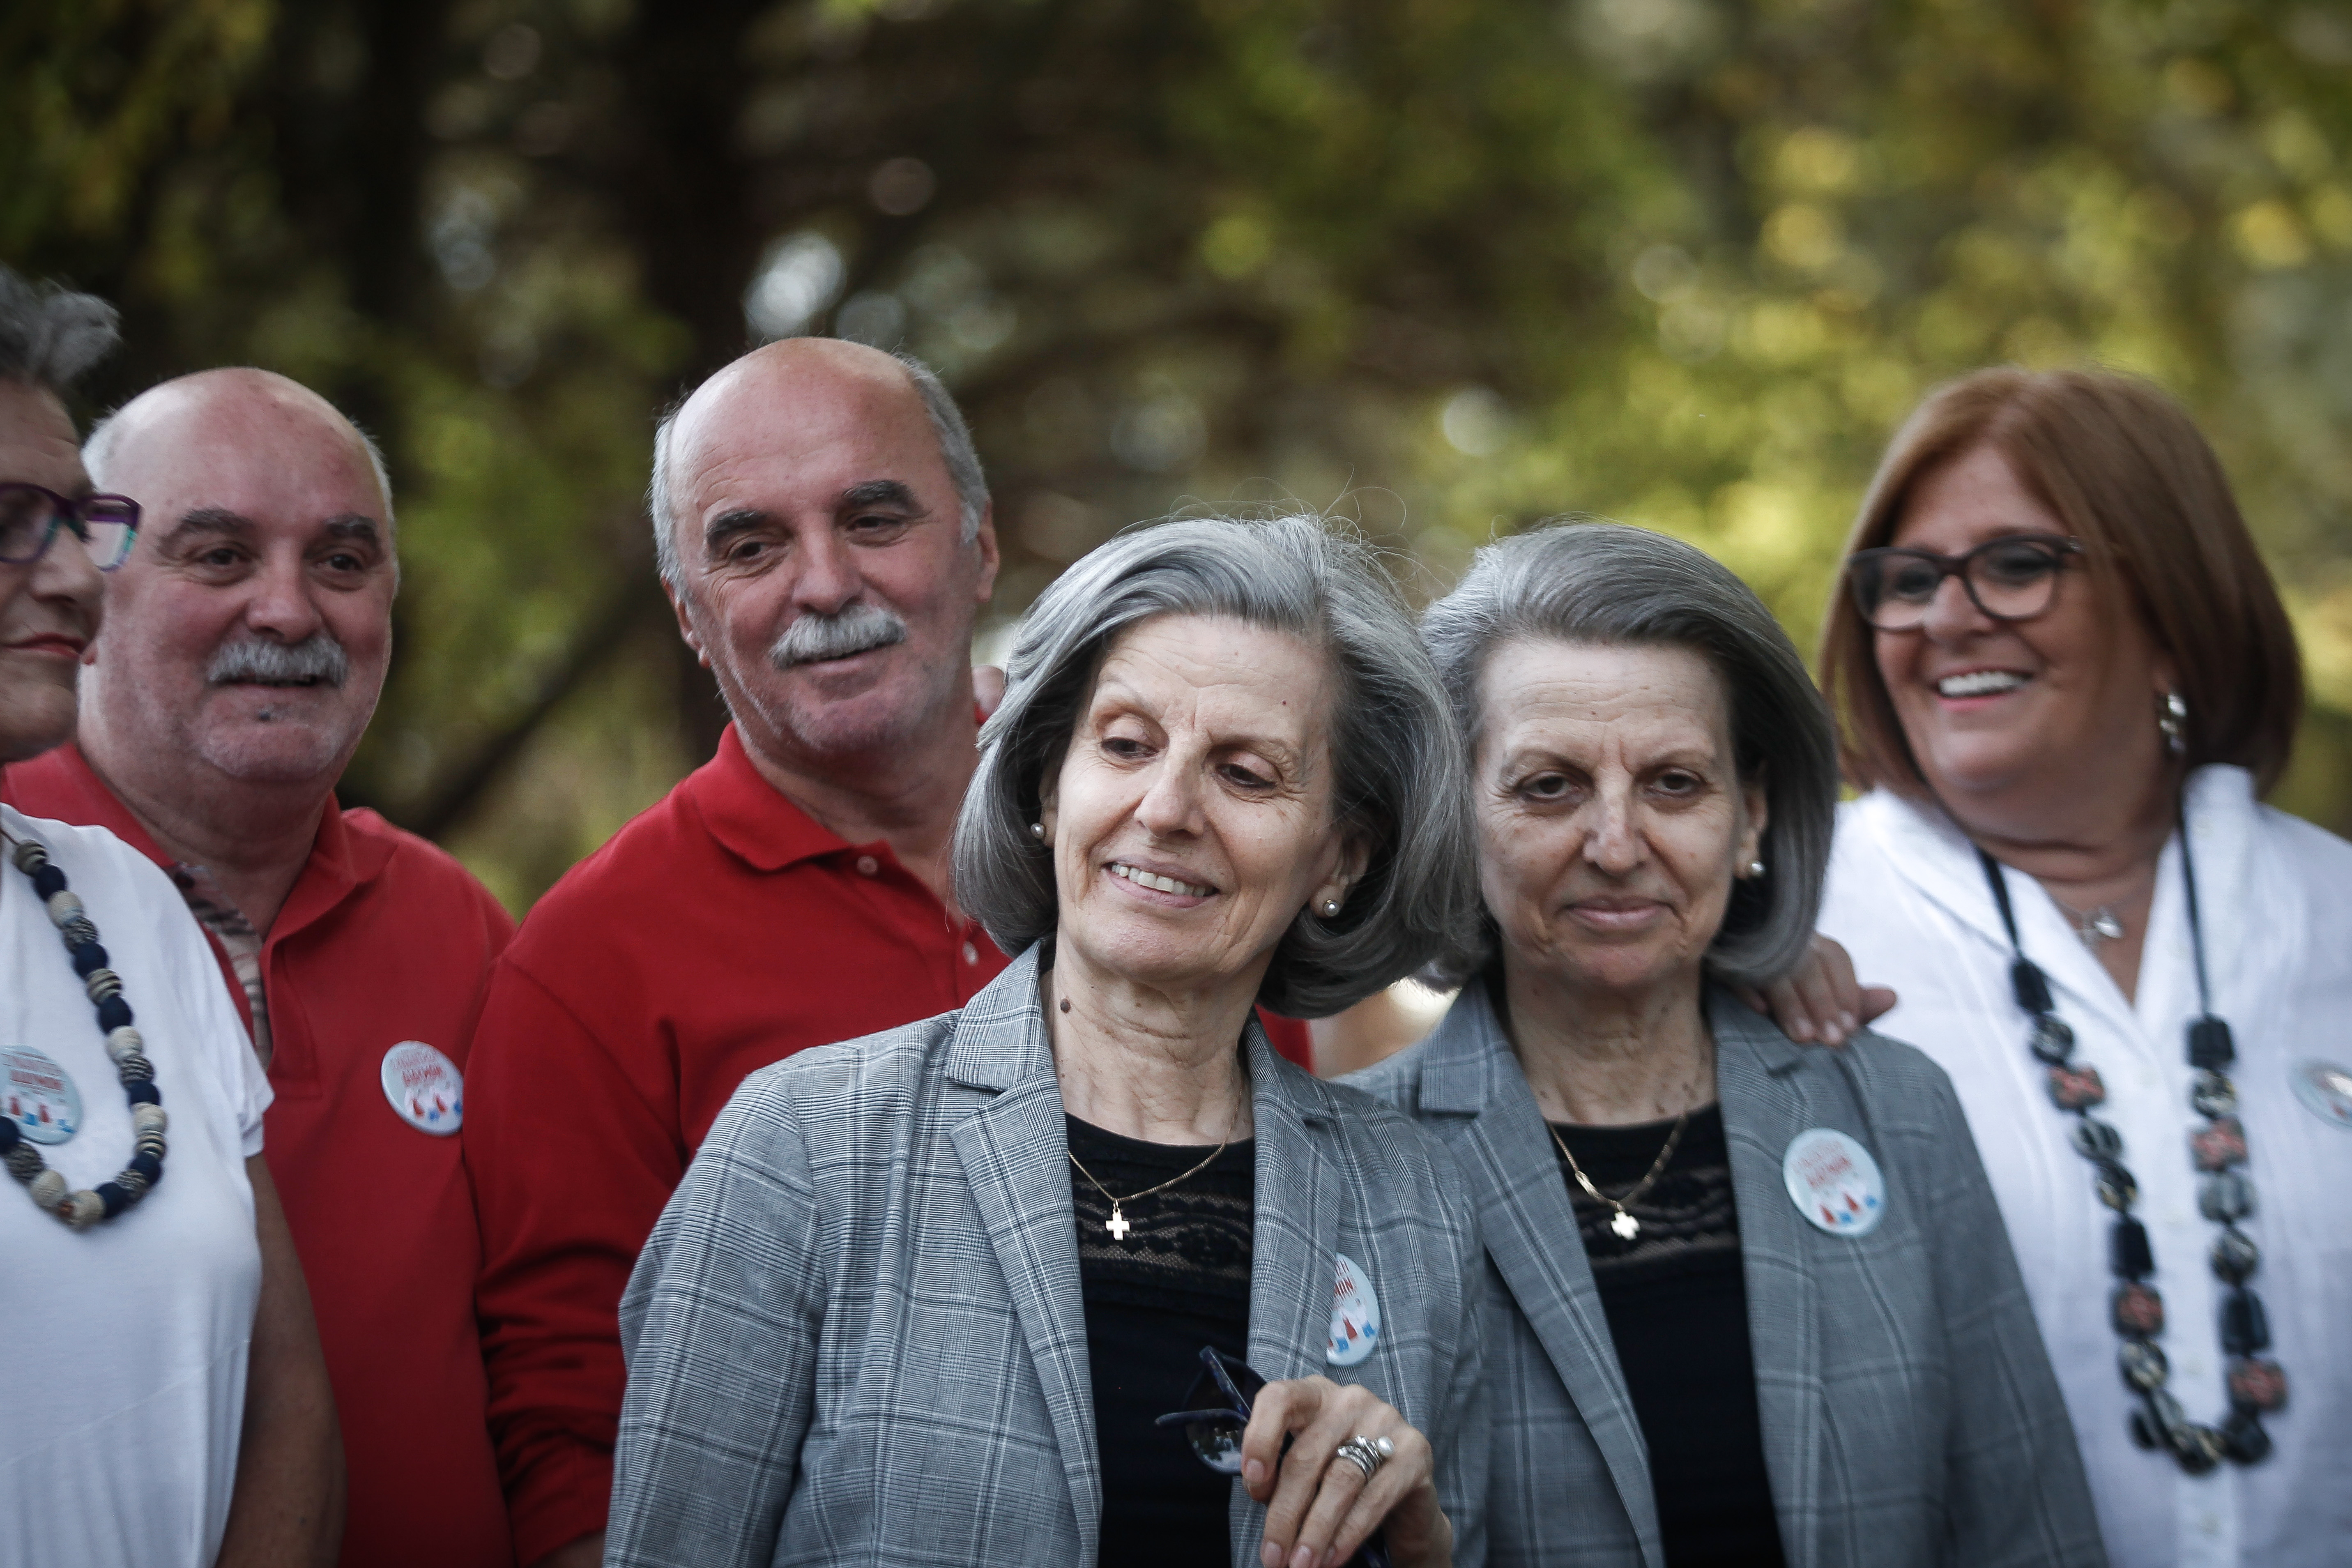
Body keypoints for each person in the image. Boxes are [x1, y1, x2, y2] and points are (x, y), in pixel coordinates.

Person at [465, 334, 1322, 1568]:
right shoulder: (588, 968)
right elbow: (578, 1445)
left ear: (979, 547)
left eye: (874, 517)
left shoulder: (1178, 863)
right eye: (749, 545)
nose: (822, 583)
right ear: (689, 613)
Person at [608, 514, 1487, 1568]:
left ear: (1340, 858)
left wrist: (1425, 1547)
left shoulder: (1418, 1205)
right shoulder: (802, 1148)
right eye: (1124, 744)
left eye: (1245, 773)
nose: (1165, 809)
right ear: (1044, 783)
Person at [1356, 521, 2103, 1566]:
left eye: (1674, 783)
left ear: (1751, 815)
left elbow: (2032, 1530)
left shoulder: (1897, 1114)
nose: (1616, 846)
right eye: (1548, 785)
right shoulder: (1353, 1165)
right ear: (1454, 817)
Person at [1812, 368, 2351, 1567]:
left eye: (2013, 563)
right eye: (1906, 581)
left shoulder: (2336, 919)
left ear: (2170, 604)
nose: (1945, 617)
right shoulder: (1776, 935)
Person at [2, 366, 516, 1568]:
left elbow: (556, 1339)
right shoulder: (40, 884)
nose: (288, 612)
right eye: (220, 556)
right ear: (98, 588)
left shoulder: (463, 928)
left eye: (341, 562)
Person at [0, 267, 343, 1565]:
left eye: (79, 527)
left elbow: (287, 1407)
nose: (77, 585)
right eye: (5, 525)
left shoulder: (125, 904)